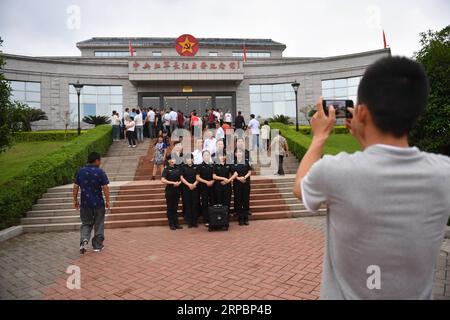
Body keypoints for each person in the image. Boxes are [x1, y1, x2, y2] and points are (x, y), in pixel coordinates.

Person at [292, 56, 450, 300]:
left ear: (362, 111)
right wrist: (366, 135)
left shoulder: (335, 171)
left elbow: (300, 188)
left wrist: (319, 138)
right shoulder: (443, 173)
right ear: (417, 110)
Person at [73, 152, 110, 254]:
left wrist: (75, 200)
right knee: (99, 223)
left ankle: (84, 240)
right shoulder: (100, 172)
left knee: (86, 223)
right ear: (97, 160)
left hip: (85, 204)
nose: (100, 162)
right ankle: (97, 246)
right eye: (100, 160)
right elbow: (105, 187)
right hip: (98, 203)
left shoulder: (80, 171)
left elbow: (76, 186)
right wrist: (107, 201)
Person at [161, 154, 183, 230]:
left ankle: (176, 223)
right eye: (170, 159)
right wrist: (173, 183)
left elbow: (181, 178)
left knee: (175, 207)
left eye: (173, 159)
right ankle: (171, 224)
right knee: (170, 207)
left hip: (177, 190)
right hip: (169, 190)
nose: (172, 160)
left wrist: (179, 182)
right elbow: (163, 180)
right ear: (168, 160)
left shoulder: (178, 168)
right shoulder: (166, 169)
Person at [231, 149, 252, 226]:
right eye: (237, 152)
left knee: (245, 200)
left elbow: (249, 171)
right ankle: (240, 219)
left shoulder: (246, 161)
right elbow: (232, 173)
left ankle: (246, 218)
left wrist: (244, 177)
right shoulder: (233, 162)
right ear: (235, 154)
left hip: (246, 183)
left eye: (240, 152)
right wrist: (238, 178)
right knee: (238, 200)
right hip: (237, 184)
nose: (239, 153)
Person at [180, 153, 200, 228]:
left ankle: (195, 222)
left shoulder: (196, 167)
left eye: (190, 158)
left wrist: (194, 184)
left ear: (192, 159)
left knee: (195, 204)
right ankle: (189, 222)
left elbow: (198, 177)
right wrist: (189, 185)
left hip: (195, 188)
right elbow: (181, 178)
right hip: (186, 188)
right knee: (188, 204)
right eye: (187, 158)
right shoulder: (183, 167)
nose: (189, 160)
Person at [196, 150, 215, 226]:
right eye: (205, 155)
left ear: (209, 156)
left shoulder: (212, 165)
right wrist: (206, 182)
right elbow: (197, 177)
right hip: (203, 187)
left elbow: (215, 175)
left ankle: (213, 219)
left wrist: (212, 181)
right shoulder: (200, 166)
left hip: (212, 187)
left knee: (212, 202)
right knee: (204, 203)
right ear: (202, 157)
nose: (206, 156)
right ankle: (206, 220)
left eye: (208, 155)